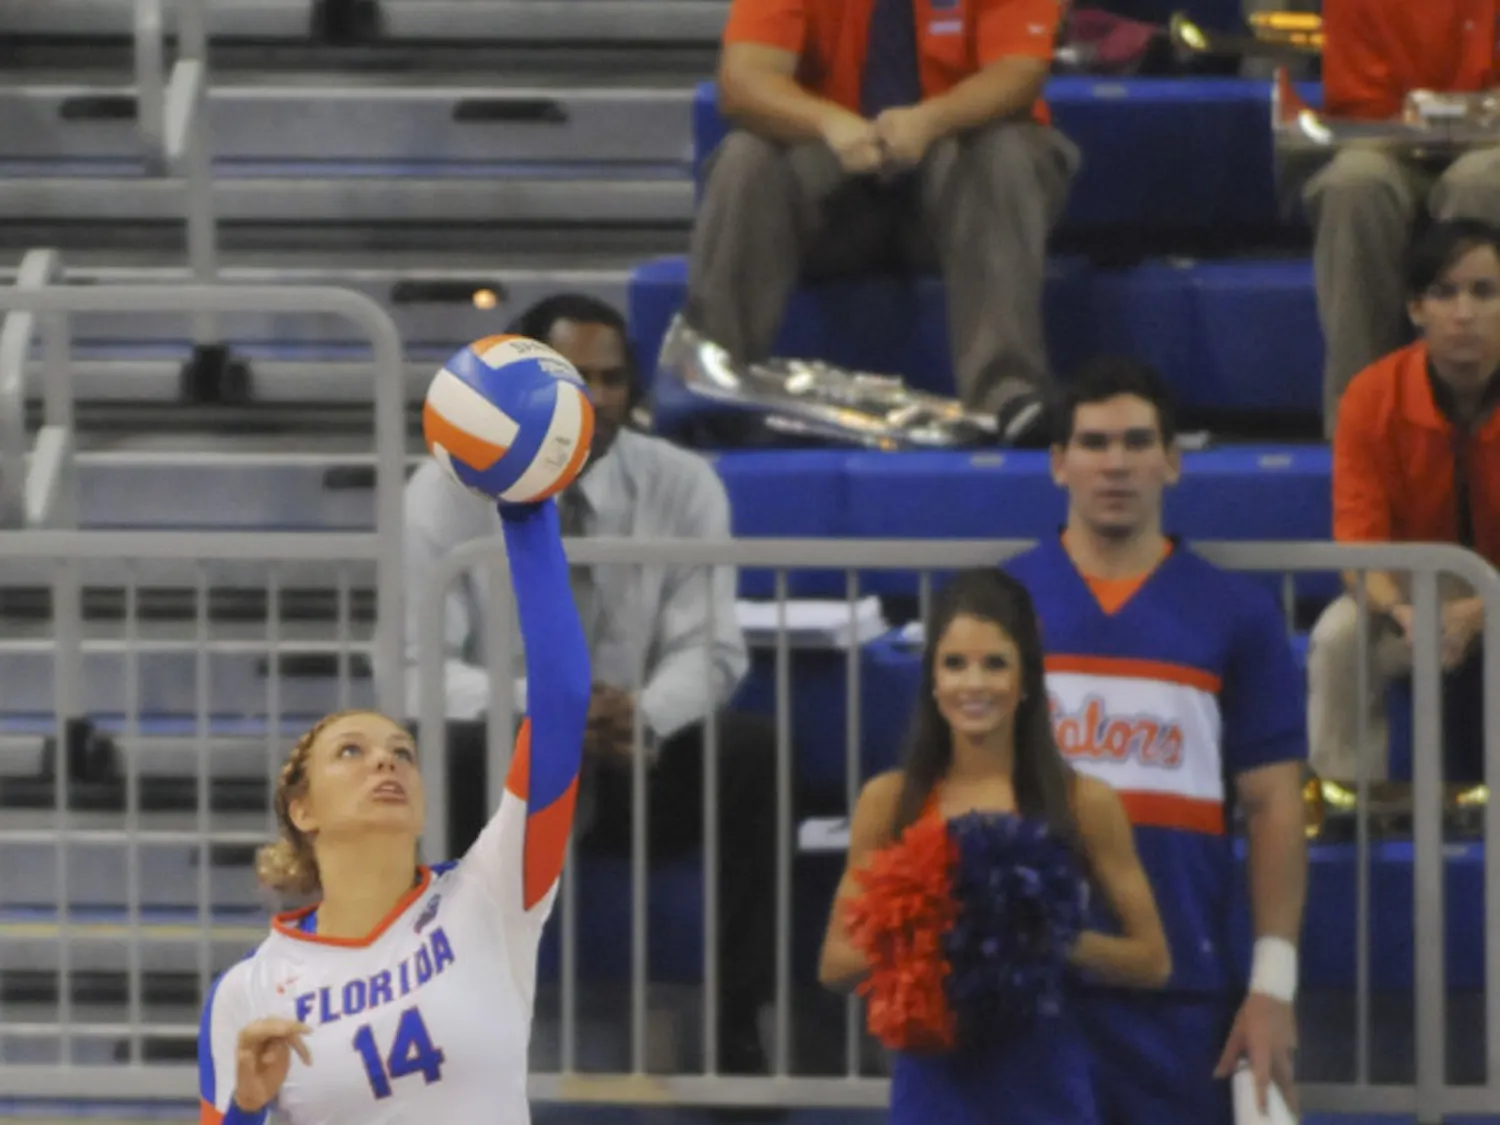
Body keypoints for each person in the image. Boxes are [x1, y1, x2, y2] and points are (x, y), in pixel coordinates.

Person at [402, 293, 778, 1073]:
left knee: (754, 754)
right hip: (514, 759)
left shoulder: (684, 483)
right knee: (448, 752)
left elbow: (711, 643)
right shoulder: (442, 491)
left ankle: (741, 1027)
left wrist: (639, 714)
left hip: (638, 748)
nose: (597, 399)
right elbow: (416, 669)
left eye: (611, 380)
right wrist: (552, 717)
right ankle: (456, 1035)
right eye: (577, 379)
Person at [197, 497, 590, 1124]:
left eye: (402, 752)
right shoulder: (247, 991)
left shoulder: (491, 894)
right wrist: (248, 1106)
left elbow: (564, 701)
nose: (386, 763)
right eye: (351, 751)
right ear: (303, 810)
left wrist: (527, 509)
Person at [1007, 356, 1310, 1122]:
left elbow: (1275, 804)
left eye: (1138, 442)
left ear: (1172, 462)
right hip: (1023, 986)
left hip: (1178, 991)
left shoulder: (1236, 613)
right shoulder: (998, 608)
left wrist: (1272, 987)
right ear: (1058, 463)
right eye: (1095, 442)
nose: (1116, 463)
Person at [818, 568, 1171, 1124]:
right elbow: (835, 964)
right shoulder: (889, 802)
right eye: (954, 664)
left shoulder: (1084, 802)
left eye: (995, 663)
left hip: (1045, 1085)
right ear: (932, 679)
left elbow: (1153, 961)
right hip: (932, 1085)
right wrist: (933, 936)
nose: (973, 684)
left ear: (1026, 678)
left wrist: (1043, 940)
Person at [681, 0, 1079, 444]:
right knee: (746, 158)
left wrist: (928, 121)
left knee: (1008, 151)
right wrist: (829, 122)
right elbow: (743, 81)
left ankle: (1005, 395)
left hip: (957, 194)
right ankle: (712, 381)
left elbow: (1019, 73)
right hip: (832, 194)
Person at [1307, 218, 1500, 789]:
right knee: (1339, 637)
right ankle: (1352, 802)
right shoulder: (1371, 396)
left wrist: (1480, 610)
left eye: (1484, 292)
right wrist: (1402, 613)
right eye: (1444, 293)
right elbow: (1360, 549)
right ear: (1416, 309)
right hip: (1417, 597)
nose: (1463, 313)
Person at [1298, 0, 1500, 434]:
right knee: (1353, 185)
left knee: (1481, 184)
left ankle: (1482, 415)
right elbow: (1359, 107)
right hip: (1390, 141)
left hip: (1492, 141)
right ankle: (1360, 425)